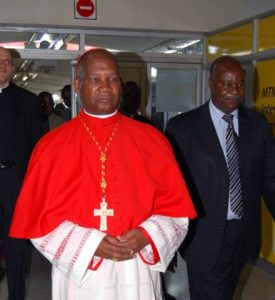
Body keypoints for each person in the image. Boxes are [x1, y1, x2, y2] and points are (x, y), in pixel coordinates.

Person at [9, 48, 197, 300]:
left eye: (112, 78)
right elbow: (38, 223)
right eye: (95, 79)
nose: (105, 86)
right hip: (81, 274)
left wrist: (147, 235)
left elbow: (177, 212)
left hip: (136, 267)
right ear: (77, 85)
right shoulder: (52, 146)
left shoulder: (151, 140)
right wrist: (90, 244)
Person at [165, 55, 275, 300]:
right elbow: (170, 189)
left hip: (243, 236)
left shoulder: (257, 124)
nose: (234, 91)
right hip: (202, 238)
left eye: (239, 84)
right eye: (227, 84)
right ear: (212, 83)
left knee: (226, 293)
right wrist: (168, 244)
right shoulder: (182, 128)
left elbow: (270, 179)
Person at [0, 46, 43, 300]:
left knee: (16, 245)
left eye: (6, 62)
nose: (3, 66)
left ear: (13, 67)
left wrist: (31, 186)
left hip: (15, 181)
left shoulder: (27, 101)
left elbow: (36, 147)